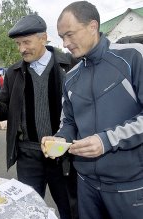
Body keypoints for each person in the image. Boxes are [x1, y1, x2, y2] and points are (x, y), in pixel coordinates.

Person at [41, 1, 143, 218]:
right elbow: (68, 122)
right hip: (85, 184)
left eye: (69, 34)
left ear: (92, 26)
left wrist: (106, 140)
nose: (65, 43)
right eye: (61, 37)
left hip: (130, 185)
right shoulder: (71, 76)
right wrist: (59, 140)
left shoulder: (133, 57)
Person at [0, 15, 78, 219]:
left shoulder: (70, 65)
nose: (22, 49)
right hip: (28, 155)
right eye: (18, 44)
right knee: (27, 210)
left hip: (64, 155)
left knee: (70, 208)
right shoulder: (14, 72)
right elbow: (5, 108)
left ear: (44, 38)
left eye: (26, 42)